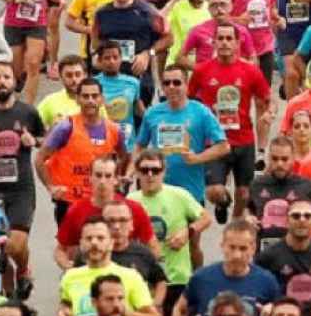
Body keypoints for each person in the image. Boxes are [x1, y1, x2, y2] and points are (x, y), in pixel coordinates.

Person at [189, 24, 274, 222]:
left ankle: (234, 226)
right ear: (215, 42)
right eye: (221, 38)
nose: (225, 43)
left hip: (244, 139)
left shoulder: (250, 71)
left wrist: (269, 112)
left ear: (237, 43)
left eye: (229, 39)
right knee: (214, 191)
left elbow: (268, 99)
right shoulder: (202, 70)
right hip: (215, 142)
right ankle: (223, 202)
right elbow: (190, 100)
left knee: (244, 194)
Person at [128, 149, 211, 316]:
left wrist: (187, 233)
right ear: (137, 173)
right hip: (145, 280)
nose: (150, 175)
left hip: (177, 277)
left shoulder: (179, 195)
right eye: (144, 170)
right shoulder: (130, 201)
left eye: (156, 170)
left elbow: (205, 218)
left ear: (164, 172)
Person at [135, 66, 230, 210]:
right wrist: (134, 171)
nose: (171, 87)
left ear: (186, 85)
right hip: (159, 190)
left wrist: (197, 158)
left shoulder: (201, 112)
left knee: (192, 232)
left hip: (191, 191)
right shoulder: (152, 113)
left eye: (176, 82)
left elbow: (223, 146)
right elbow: (140, 146)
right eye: (166, 83)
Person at [41, 80, 128, 226]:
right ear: (77, 99)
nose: (90, 101)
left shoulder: (114, 130)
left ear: (102, 99)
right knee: (70, 248)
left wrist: (119, 178)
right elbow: (39, 159)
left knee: (101, 246)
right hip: (69, 203)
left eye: (95, 96)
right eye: (85, 96)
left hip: (102, 202)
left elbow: (124, 156)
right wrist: (51, 187)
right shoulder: (66, 127)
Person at [175, 221, 282, 316]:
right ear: (222, 245)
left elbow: (284, 315)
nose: (237, 255)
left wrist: (273, 311)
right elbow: (180, 309)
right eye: (232, 247)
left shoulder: (267, 281)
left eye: (243, 248)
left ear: (253, 249)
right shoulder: (201, 278)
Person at [58, 218, 159, 316]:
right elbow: (66, 306)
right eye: (89, 238)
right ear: (81, 244)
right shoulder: (70, 276)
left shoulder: (131, 276)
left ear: (111, 243)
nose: (94, 243)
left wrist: (123, 313)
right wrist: (63, 314)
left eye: (100, 238)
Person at [56, 156, 157, 258]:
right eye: (98, 175)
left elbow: (153, 246)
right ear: (90, 178)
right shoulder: (76, 210)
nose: (102, 181)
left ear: (116, 180)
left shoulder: (134, 209)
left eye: (108, 176)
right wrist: (69, 267)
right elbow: (61, 250)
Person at [246, 135, 311, 252]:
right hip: (264, 253)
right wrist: (248, 218)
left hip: (298, 252)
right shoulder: (257, 184)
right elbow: (248, 210)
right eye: (275, 159)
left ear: (293, 158)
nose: (280, 164)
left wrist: (305, 220)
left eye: (284, 159)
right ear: (268, 158)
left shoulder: (309, 186)